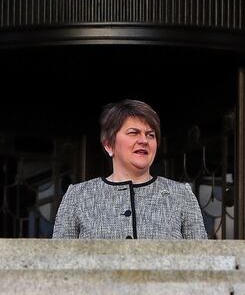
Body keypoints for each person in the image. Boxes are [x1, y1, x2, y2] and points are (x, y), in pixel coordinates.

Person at [52, 99, 208, 239]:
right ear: (109, 145)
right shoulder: (77, 197)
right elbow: (57, 261)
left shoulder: (181, 195)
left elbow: (203, 261)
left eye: (150, 135)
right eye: (133, 133)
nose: (143, 140)